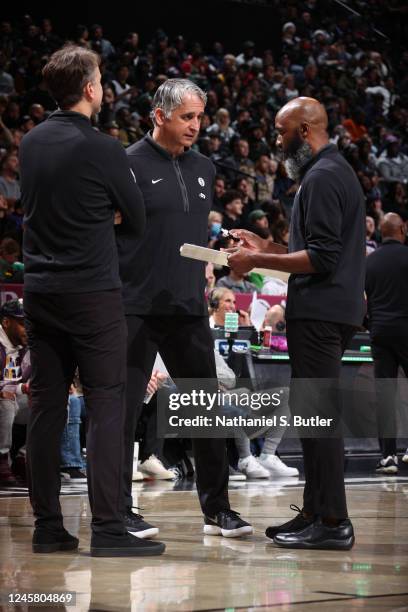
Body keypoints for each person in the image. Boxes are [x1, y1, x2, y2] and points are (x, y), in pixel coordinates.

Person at [19, 45, 164, 557]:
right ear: (89, 89)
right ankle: (108, 527)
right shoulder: (104, 147)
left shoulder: (30, 142)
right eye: (101, 79)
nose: (104, 87)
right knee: (106, 404)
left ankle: (48, 527)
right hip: (92, 292)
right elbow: (138, 219)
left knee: (46, 405)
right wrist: (107, 218)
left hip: (39, 290)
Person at [227, 97, 366, 550]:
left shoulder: (324, 177)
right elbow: (316, 248)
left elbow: (321, 258)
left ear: (305, 131)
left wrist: (256, 259)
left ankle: (333, 521)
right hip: (329, 309)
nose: (276, 141)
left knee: (319, 418)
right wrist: (264, 244)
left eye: (281, 132)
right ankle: (313, 512)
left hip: (322, 312)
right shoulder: (330, 172)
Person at [117, 78, 253, 539]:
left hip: (187, 307)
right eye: (187, 117)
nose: (197, 125)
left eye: (200, 116)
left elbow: (186, 234)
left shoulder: (205, 168)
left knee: (207, 410)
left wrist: (218, 253)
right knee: (123, 410)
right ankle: (119, 511)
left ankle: (218, 510)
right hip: (134, 304)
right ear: (159, 115)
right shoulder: (126, 163)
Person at [365, 213, 408, 473]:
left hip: (379, 331)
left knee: (385, 396)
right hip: (406, 328)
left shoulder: (369, 261)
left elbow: (363, 299)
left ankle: (388, 456)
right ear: (402, 229)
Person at [0, 299, 30, 486]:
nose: (27, 329)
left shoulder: (25, 345)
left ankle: (23, 458)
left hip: (13, 397)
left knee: (55, 403)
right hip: (4, 401)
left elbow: (15, 382)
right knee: (6, 400)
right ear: (6, 322)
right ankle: (1, 459)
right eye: (22, 323)